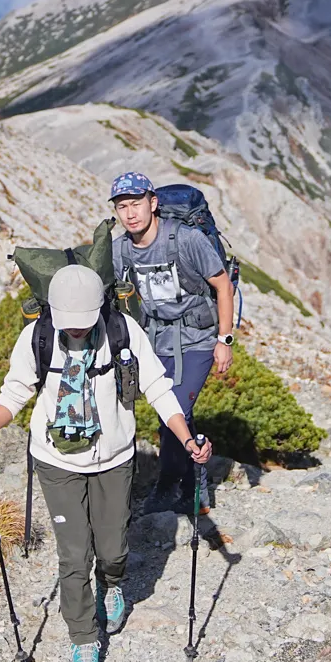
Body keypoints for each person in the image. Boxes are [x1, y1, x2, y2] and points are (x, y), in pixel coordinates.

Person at [0, 264, 212, 662]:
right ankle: (83, 639)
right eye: (68, 324)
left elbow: (158, 389)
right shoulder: (37, 337)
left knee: (113, 549)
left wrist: (187, 441)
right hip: (56, 463)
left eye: (84, 323)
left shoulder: (124, 332)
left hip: (114, 459)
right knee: (74, 555)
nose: (76, 331)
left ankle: (111, 584)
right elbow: (16, 391)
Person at [108, 172, 236, 511]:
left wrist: (224, 339)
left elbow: (223, 285)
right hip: (154, 339)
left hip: (197, 337)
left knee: (174, 407)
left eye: (136, 204)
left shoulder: (187, 239)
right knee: (173, 408)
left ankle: (170, 484)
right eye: (122, 207)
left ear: (153, 203)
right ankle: (193, 480)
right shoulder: (120, 250)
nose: (130, 213)